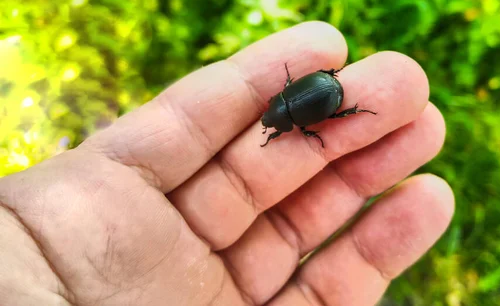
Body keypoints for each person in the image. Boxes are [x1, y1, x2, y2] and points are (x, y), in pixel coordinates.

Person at [0, 22, 454, 306]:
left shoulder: (284, 112)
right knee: (326, 121)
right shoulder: (285, 109)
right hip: (325, 90)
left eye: (271, 123)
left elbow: (291, 114)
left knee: (326, 124)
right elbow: (302, 101)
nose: (269, 122)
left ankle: (361, 108)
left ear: (276, 107)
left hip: (324, 94)